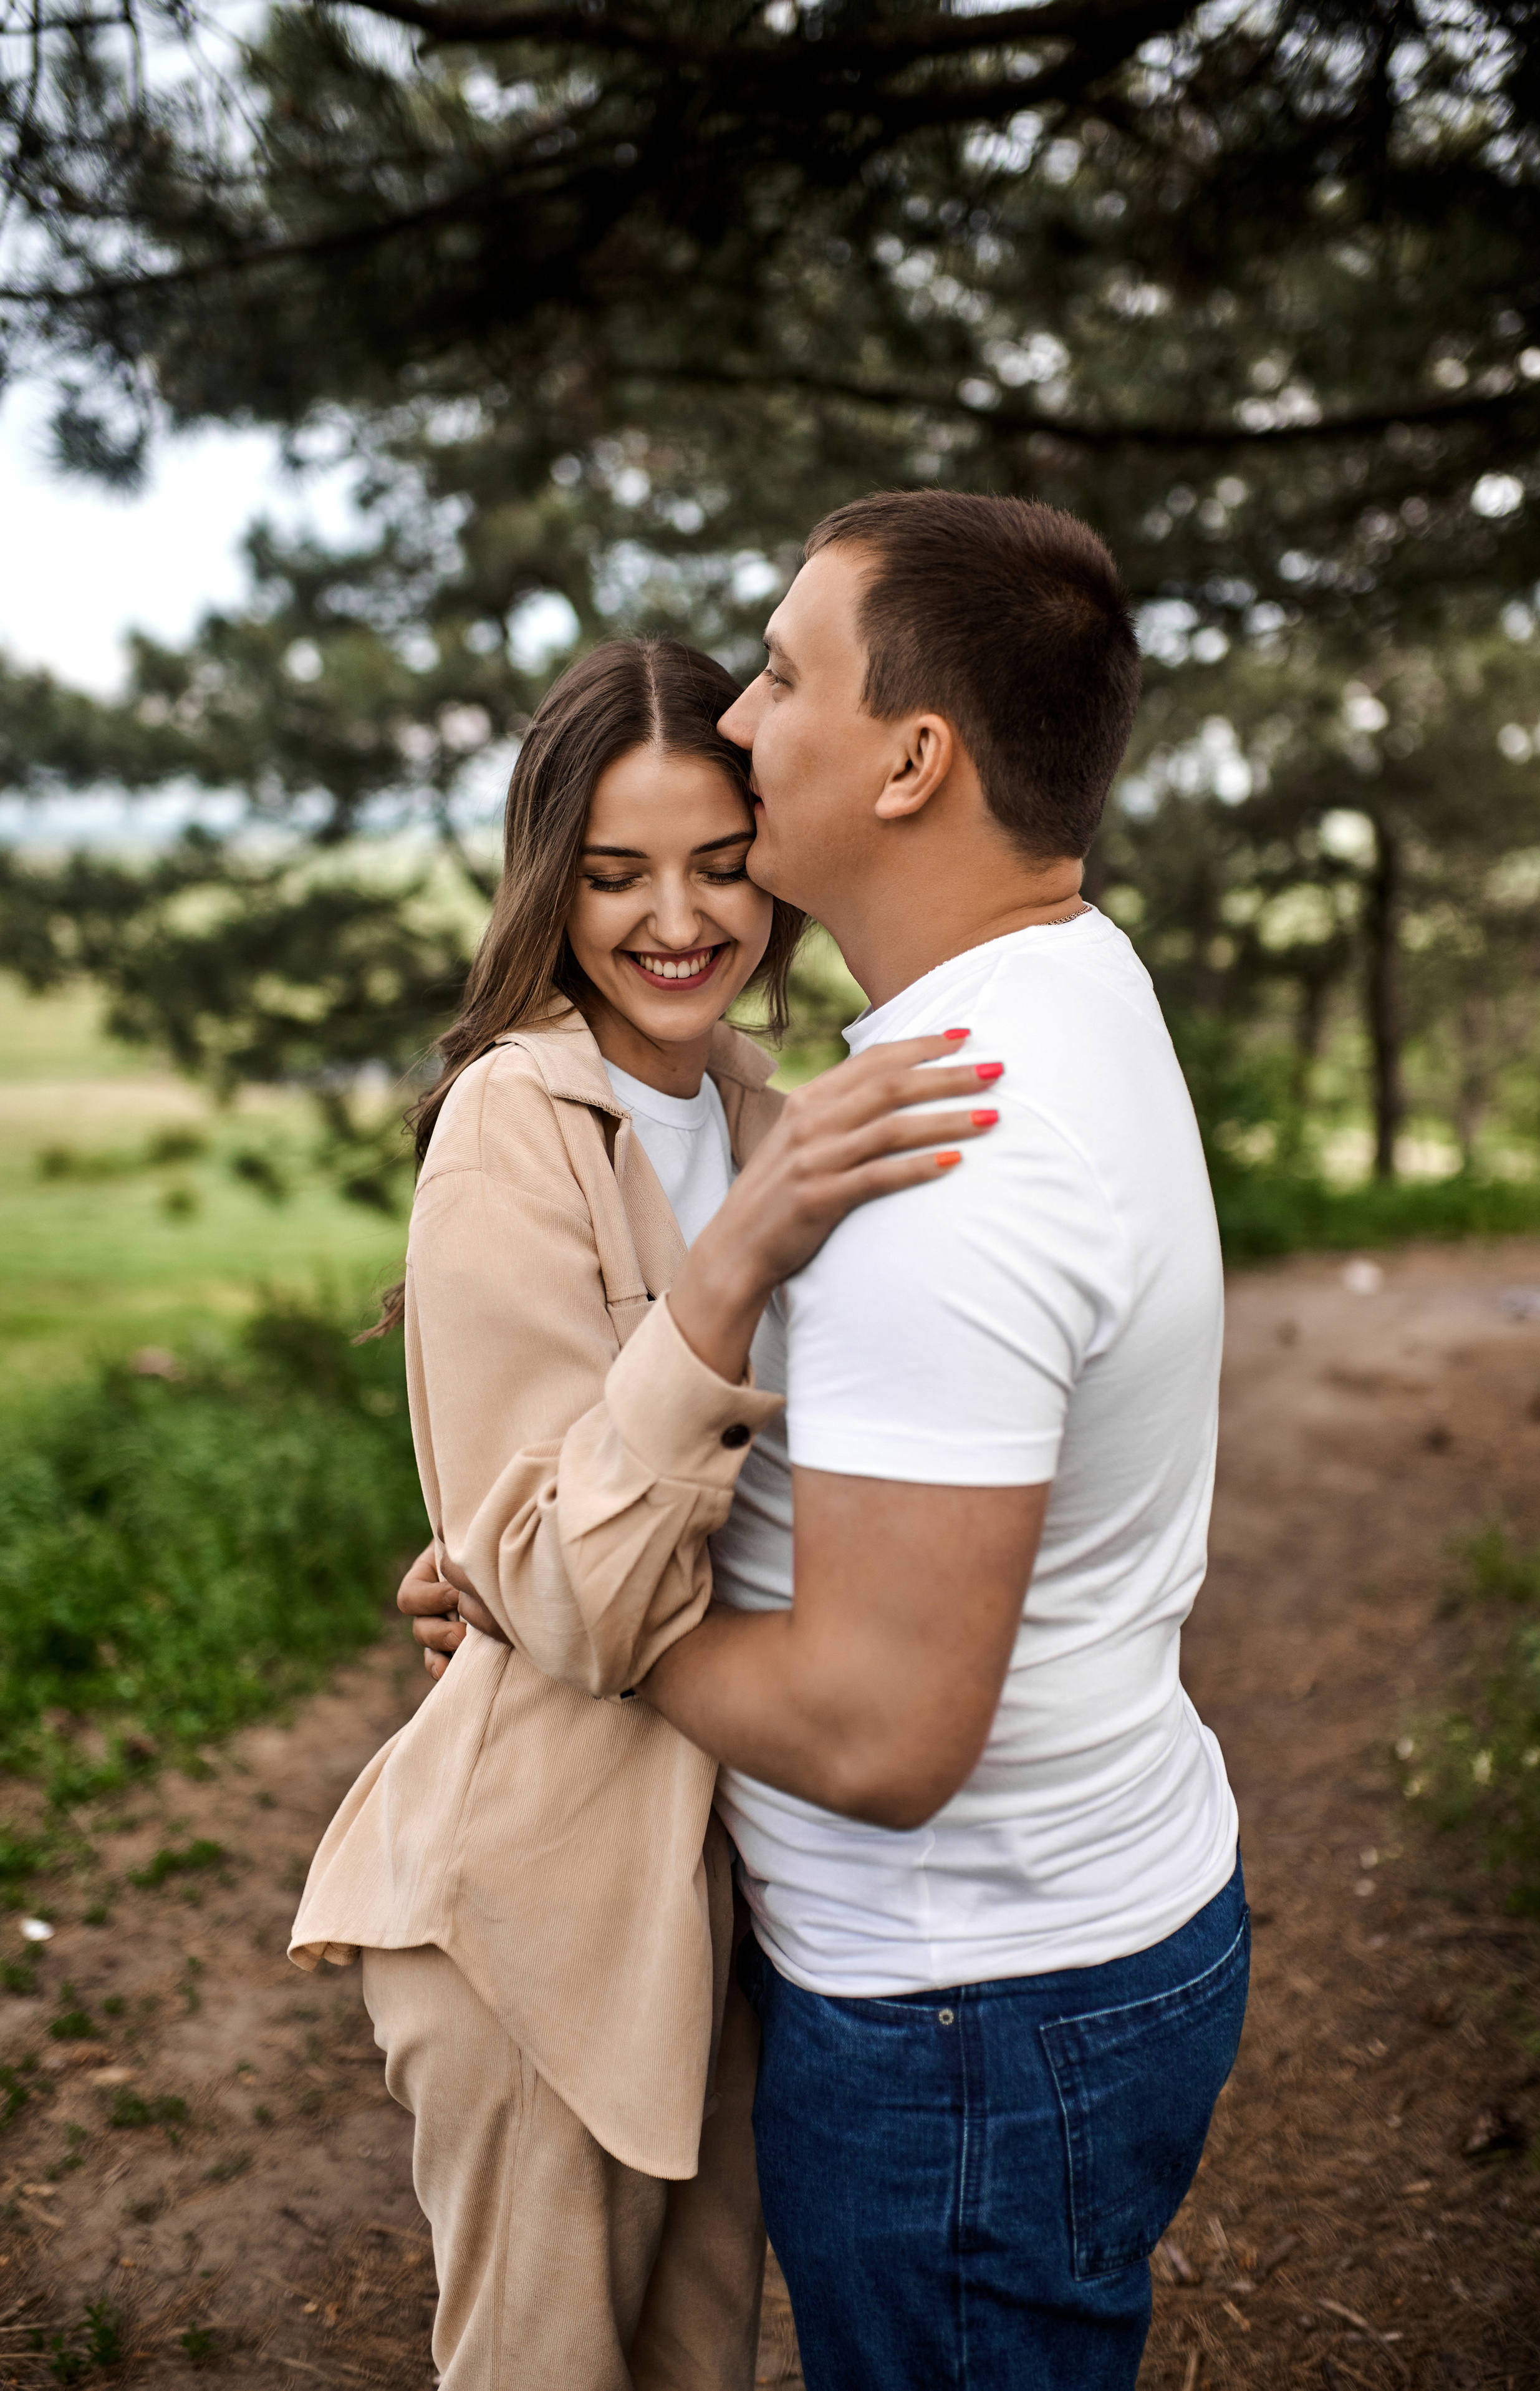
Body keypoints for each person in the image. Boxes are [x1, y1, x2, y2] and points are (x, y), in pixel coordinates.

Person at [414, 491, 1246, 2390]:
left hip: (967, 2002)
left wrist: (556, 1605)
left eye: (785, 675)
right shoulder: (1062, 995)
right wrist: (521, 1546)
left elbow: (880, 1730)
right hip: (992, 1939)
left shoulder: (921, 1142)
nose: (746, 712)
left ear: (914, 758)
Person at [287, 635, 996, 2391]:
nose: (677, 921)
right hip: (539, 1913)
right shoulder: (513, 1124)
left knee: (698, 2365)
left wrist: (506, 1566)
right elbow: (582, 1601)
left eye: (720, 862)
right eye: (616, 876)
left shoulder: (758, 1108)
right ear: (553, 884)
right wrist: (737, 1264)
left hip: (721, 1904)